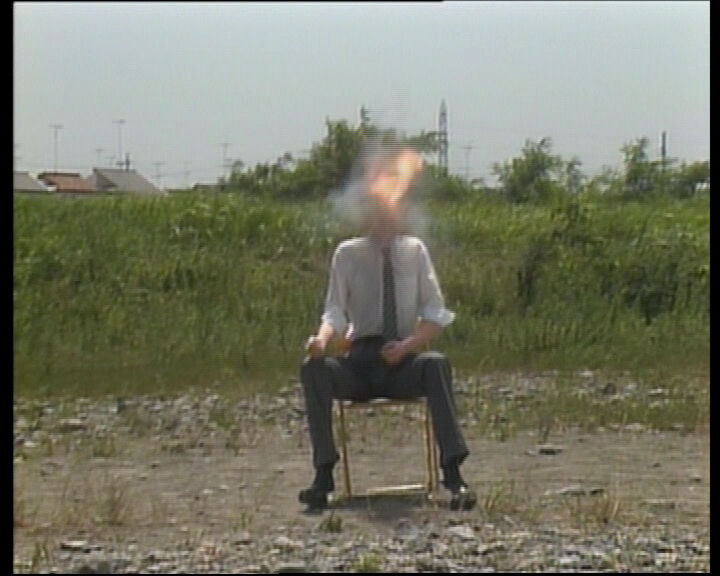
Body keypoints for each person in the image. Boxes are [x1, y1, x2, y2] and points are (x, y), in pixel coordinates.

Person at [298, 150, 476, 511]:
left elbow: (435, 313)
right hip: (359, 362)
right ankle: (323, 476)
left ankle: (454, 475)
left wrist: (407, 346)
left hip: (401, 362)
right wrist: (321, 340)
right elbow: (334, 310)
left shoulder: (414, 251)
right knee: (313, 370)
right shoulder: (348, 254)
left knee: (435, 364)